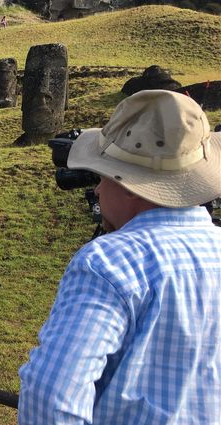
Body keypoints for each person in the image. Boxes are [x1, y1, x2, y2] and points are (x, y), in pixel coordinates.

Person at [18, 90, 221, 424]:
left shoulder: (111, 263)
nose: (97, 189)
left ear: (130, 184)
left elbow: (52, 396)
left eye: (103, 175)